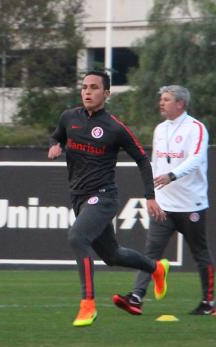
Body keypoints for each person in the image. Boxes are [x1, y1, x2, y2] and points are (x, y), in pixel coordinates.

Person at [48, 71, 169, 327]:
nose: (87, 92)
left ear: (106, 94)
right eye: (84, 87)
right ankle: (156, 269)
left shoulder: (114, 127)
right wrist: (56, 145)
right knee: (112, 256)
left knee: (77, 237)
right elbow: (57, 134)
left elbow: (142, 159)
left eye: (94, 87)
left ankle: (87, 305)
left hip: (103, 197)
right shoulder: (69, 117)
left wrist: (150, 196)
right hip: (78, 198)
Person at [113, 85, 216, 316]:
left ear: (180, 103)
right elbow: (155, 164)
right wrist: (152, 196)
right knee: (150, 253)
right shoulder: (160, 129)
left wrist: (172, 175)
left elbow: (197, 159)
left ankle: (209, 304)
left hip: (191, 205)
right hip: (165, 207)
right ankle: (137, 298)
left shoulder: (196, 128)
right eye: (161, 99)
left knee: (200, 253)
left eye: (167, 99)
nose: (162, 103)